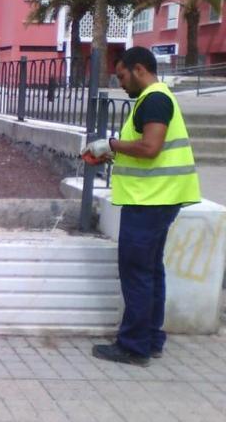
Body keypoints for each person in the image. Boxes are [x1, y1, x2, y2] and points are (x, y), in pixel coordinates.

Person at [81, 46, 200, 367]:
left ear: (139, 70)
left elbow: (150, 147)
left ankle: (133, 346)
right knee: (150, 271)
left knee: (137, 273)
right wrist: (113, 152)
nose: (120, 83)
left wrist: (111, 144)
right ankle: (150, 339)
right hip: (158, 198)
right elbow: (148, 149)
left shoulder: (155, 99)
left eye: (121, 76)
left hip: (150, 201)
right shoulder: (154, 99)